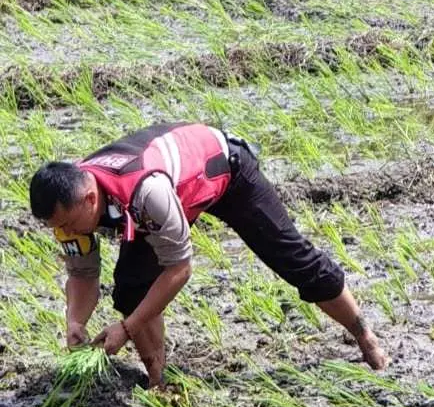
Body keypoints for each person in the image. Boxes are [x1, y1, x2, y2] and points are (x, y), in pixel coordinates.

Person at [29, 123, 388, 388]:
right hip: (172, 193)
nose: (67, 232)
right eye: (59, 227)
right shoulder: (71, 205)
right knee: (131, 289)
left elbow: (179, 269)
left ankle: (364, 335)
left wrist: (126, 329)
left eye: (69, 224)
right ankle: (158, 380)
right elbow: (82, 274)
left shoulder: (145, 192)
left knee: (294, 259)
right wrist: (75, 321)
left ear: (90, 200)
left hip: (224, 170)